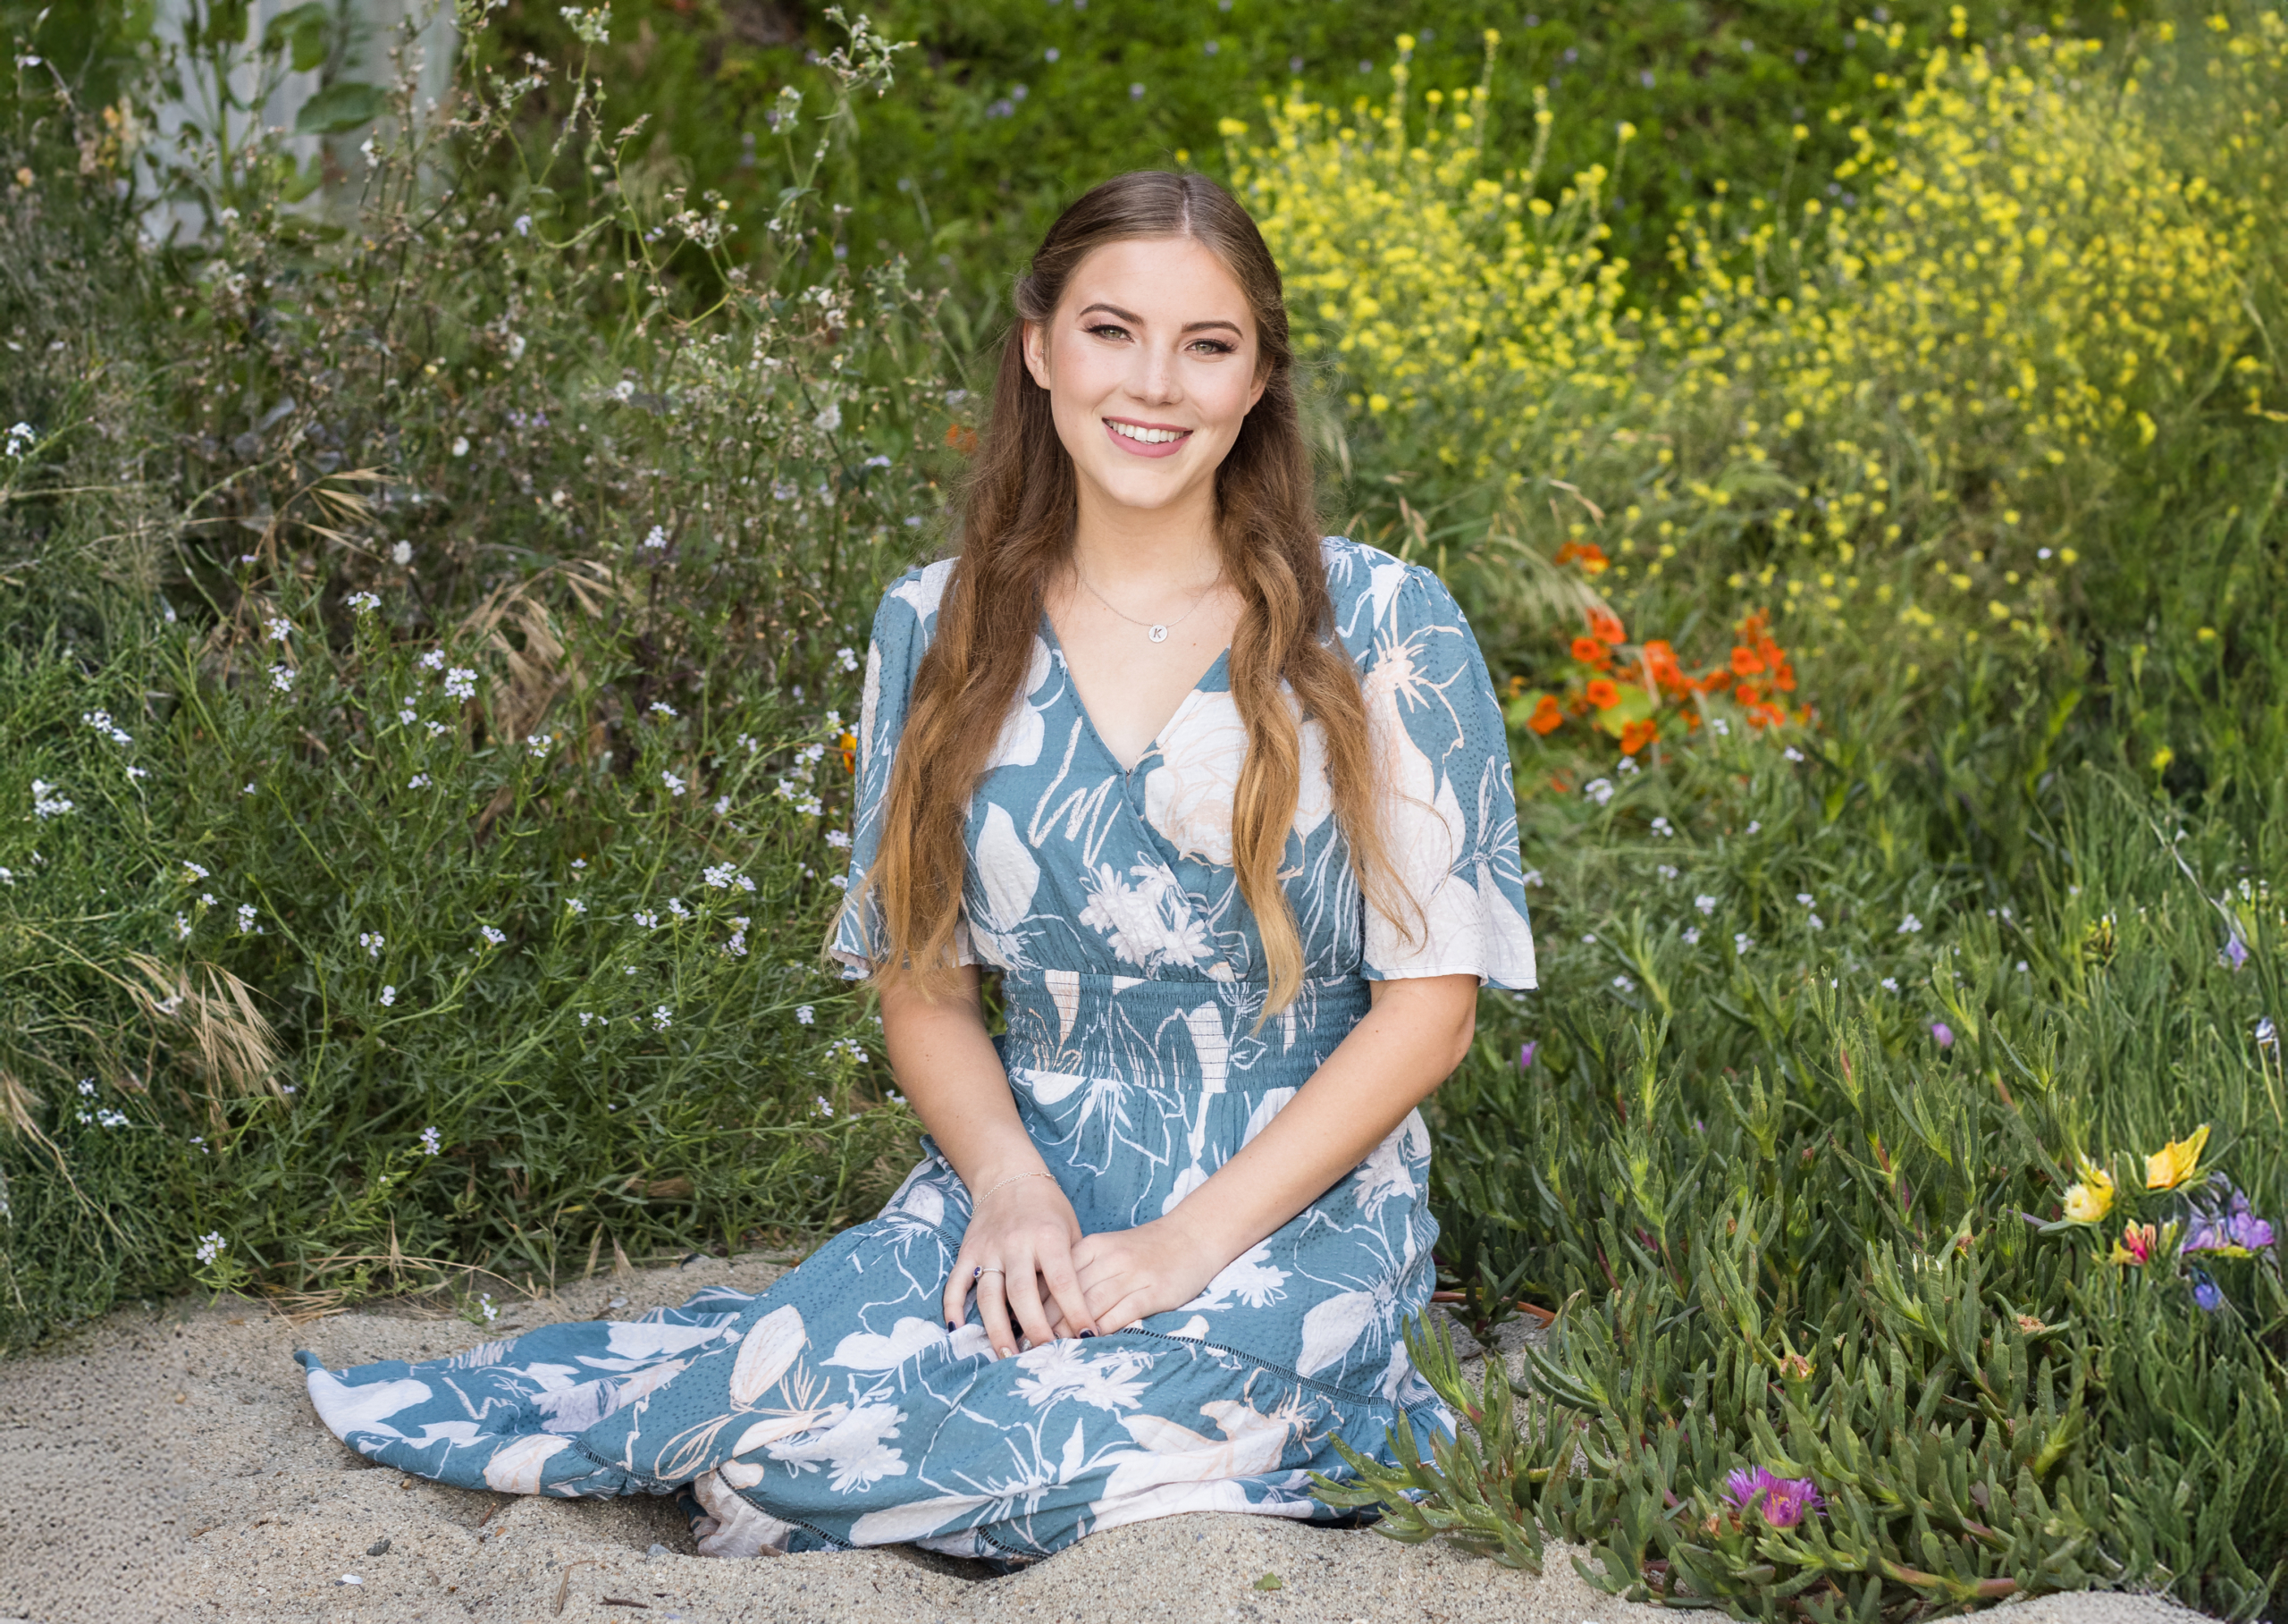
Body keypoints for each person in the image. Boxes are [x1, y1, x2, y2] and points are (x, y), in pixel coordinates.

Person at [296, 170, 1536, 1568]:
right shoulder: (938, 624)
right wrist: (1008, 1186)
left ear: (1259, 381)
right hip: (1030, 1165)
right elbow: (925, 983)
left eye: (1209, 345)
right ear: (1039, 349)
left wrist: (1186, 1243)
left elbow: (1432, 1007)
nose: (1156, 384)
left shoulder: (1379, 619)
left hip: (1292, 1201)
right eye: (1112, 330)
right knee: (753, 1423)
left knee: (1014, 1449)